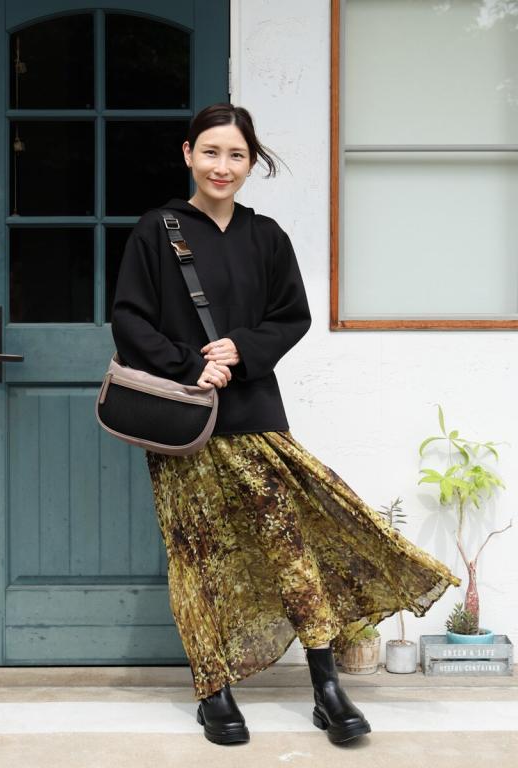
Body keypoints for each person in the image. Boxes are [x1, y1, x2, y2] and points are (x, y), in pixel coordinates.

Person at [110, 103, 461, 747]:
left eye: (236, 155)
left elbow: (292, 316)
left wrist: (241, 350)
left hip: (255, 414)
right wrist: (192, 364)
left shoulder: (266, 235)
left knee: (293, 552)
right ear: (188, 154)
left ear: (251, 163)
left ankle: (327, 687)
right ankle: (214, 692)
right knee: (199, 558)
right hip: (184, 421)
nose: (222, 166)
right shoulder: (155, 230)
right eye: (210, 152)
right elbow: (129, 320)